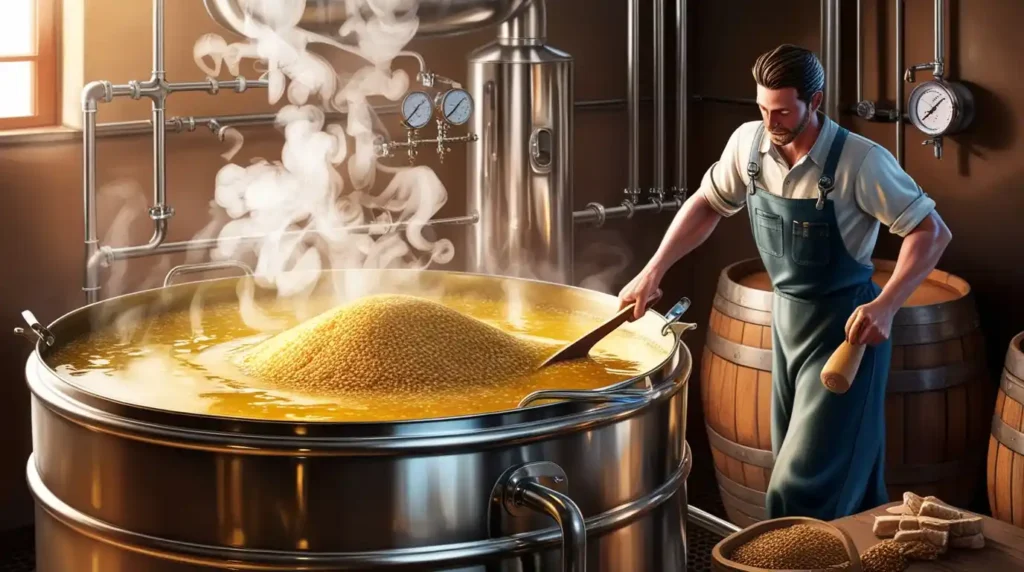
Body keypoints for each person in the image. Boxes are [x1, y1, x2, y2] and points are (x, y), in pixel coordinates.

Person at [618, 44, 952, 521]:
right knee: (836, 477)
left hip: (846, 335)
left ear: (815, 102)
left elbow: (931, 231)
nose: (769, 122)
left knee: (801, 487)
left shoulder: (861, 161)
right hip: (786, 326)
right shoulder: (748, 144)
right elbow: (708, 203)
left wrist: (888, 305)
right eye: (761, 109)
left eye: (781, 112)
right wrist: (653, 271)